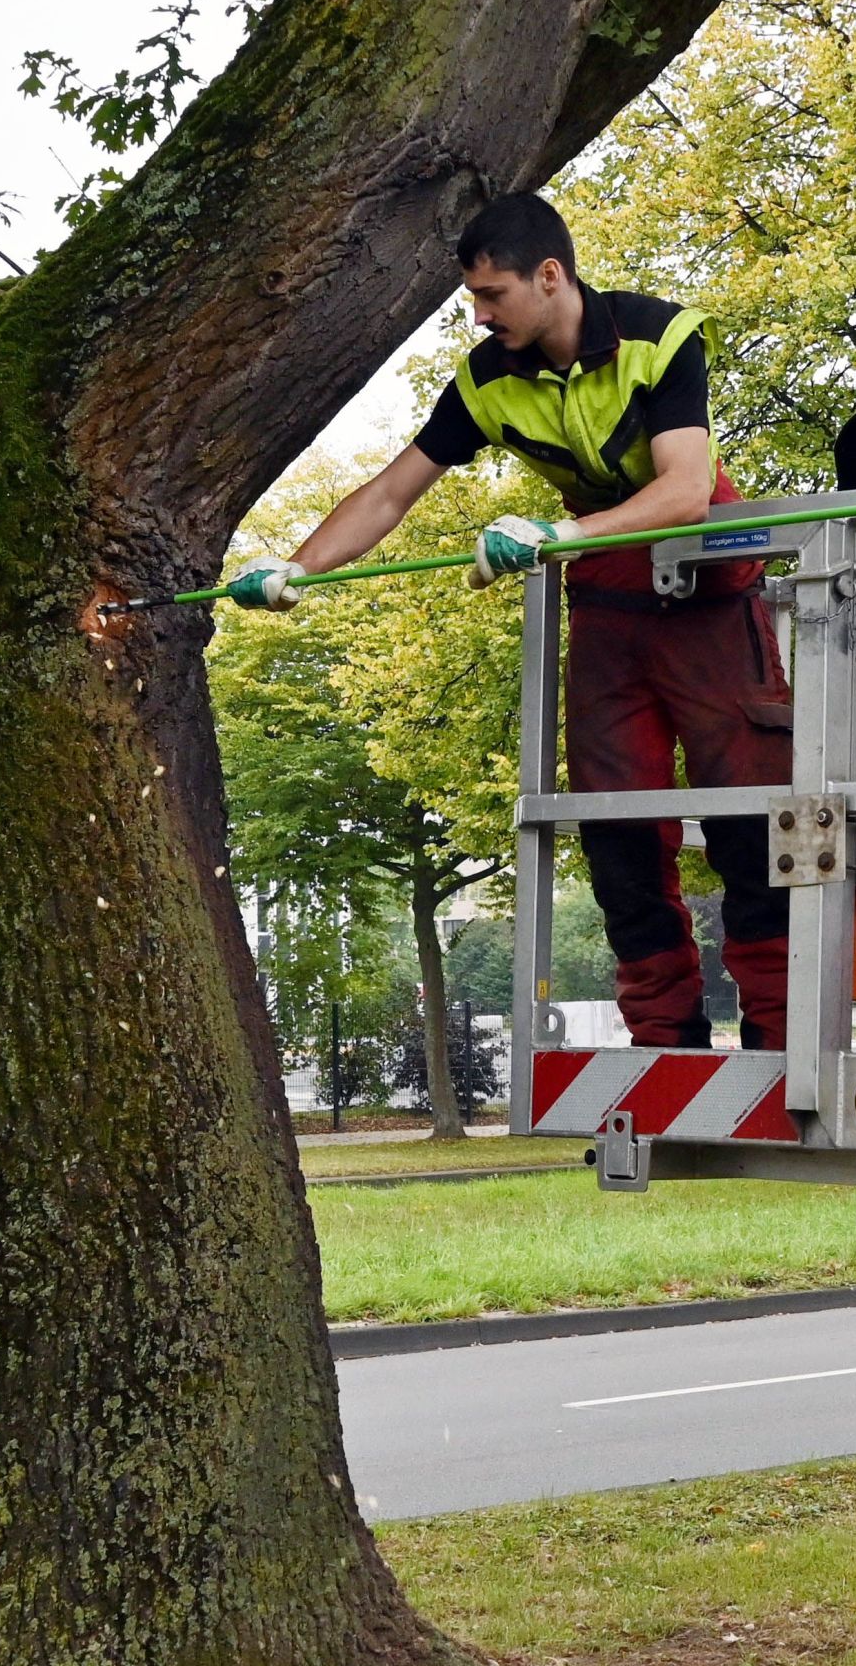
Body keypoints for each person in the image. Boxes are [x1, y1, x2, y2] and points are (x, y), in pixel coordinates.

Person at [231, 194, 791, 1050]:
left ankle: (780, 1035)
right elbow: (390, 492)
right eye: (475, 302)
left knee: (750, 819)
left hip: (710, 594)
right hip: (608, 605)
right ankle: (664, 1038)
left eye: (492, 296)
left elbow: (683, 489)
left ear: (551, 276)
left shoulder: (663, 337)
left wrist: (556, 533)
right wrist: (296, 565)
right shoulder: (486, 379)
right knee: (617, 834)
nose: (482, 315)